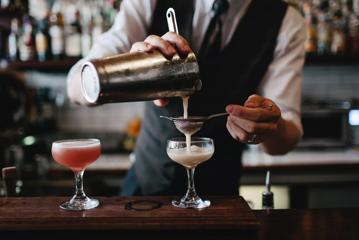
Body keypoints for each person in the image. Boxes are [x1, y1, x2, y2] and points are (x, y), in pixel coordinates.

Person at [67, 0, 306, 196]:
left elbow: (288, 136)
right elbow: (75, 84)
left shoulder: (286, 21)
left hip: (219, 197)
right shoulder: (149, 2)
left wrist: (269, 127)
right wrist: (125, 70)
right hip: (144, 189)